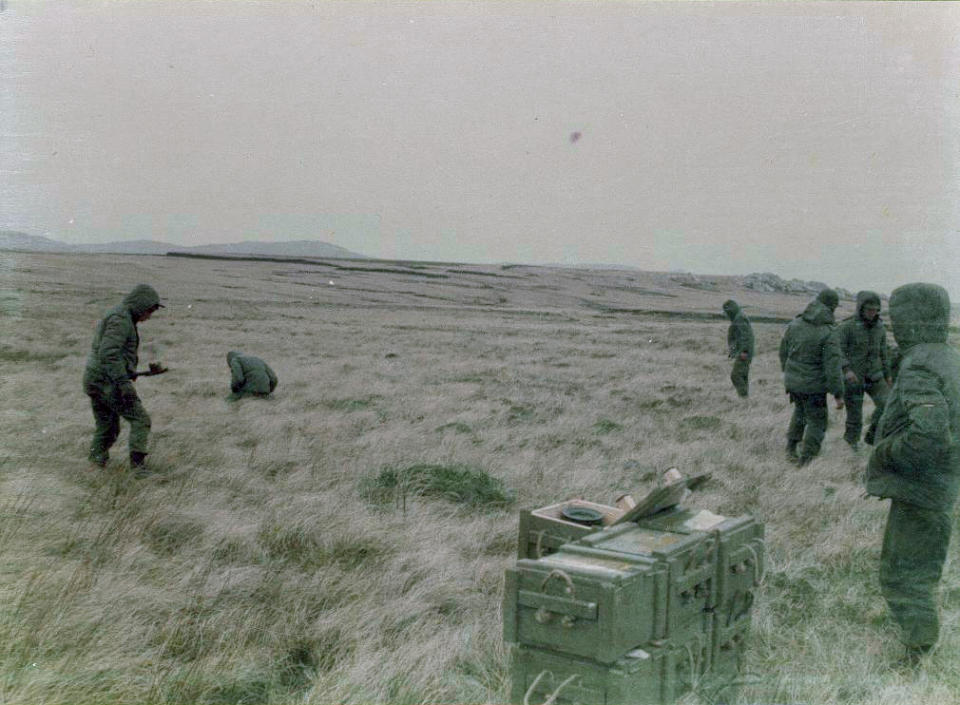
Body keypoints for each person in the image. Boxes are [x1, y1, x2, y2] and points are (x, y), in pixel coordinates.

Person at [866, 283, 960, 667]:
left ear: (914, 321)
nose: (892, 326)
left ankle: (916, 656)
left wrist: (887, 452)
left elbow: (930, 433)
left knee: (903, 574)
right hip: (940, 485)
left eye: (897, 318)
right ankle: (918, 640)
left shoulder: (919, 362)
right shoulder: (948, 356)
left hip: (922, 488)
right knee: (920, 568)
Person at [82, 284, 164, 474]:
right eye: (149, 310)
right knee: (141, 419)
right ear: (140, 305)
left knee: (108, 427)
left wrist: (139, 373)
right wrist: (123, 383)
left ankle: (95, 464)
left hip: (96, 380)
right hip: (107, 383)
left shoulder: (121, 316)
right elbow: (108, 354)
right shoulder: (121, 319)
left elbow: (111, 356)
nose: (149, 316)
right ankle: (138, 470)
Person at [778, 288, 844, 466]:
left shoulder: (795, 323)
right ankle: (807, 459)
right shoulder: (829, 331)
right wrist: (838, 394)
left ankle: (790, 449)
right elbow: (833, 366)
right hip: (813, 386)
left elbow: (783, 352)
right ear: (832, 308)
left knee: (800, 413)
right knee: (818, 421)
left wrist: (789, 372)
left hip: (793, 382)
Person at [835, 291, 892, 450]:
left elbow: (883, 353)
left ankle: (872, 436)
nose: (872, 313)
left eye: (875, 310)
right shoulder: (847, 327)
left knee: (887, 405)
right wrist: (846, 370)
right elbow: (838, 351)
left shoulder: (880, 328)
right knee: (855, 414)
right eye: (869, 309)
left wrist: (888, 375)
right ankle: (851, 442)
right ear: (860, 309)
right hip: (854, 378)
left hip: (875, 376)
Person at [722, 299, 754, 398]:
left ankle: (744, 398)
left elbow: (746, 337)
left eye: (726, 312)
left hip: (743, 353)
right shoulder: (738, 317)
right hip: (743, 352)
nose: (725, 315)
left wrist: (744, 352)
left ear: (730, 311)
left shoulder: (740, 318)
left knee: (735, 375)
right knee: (742, 375)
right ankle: (745, 400)